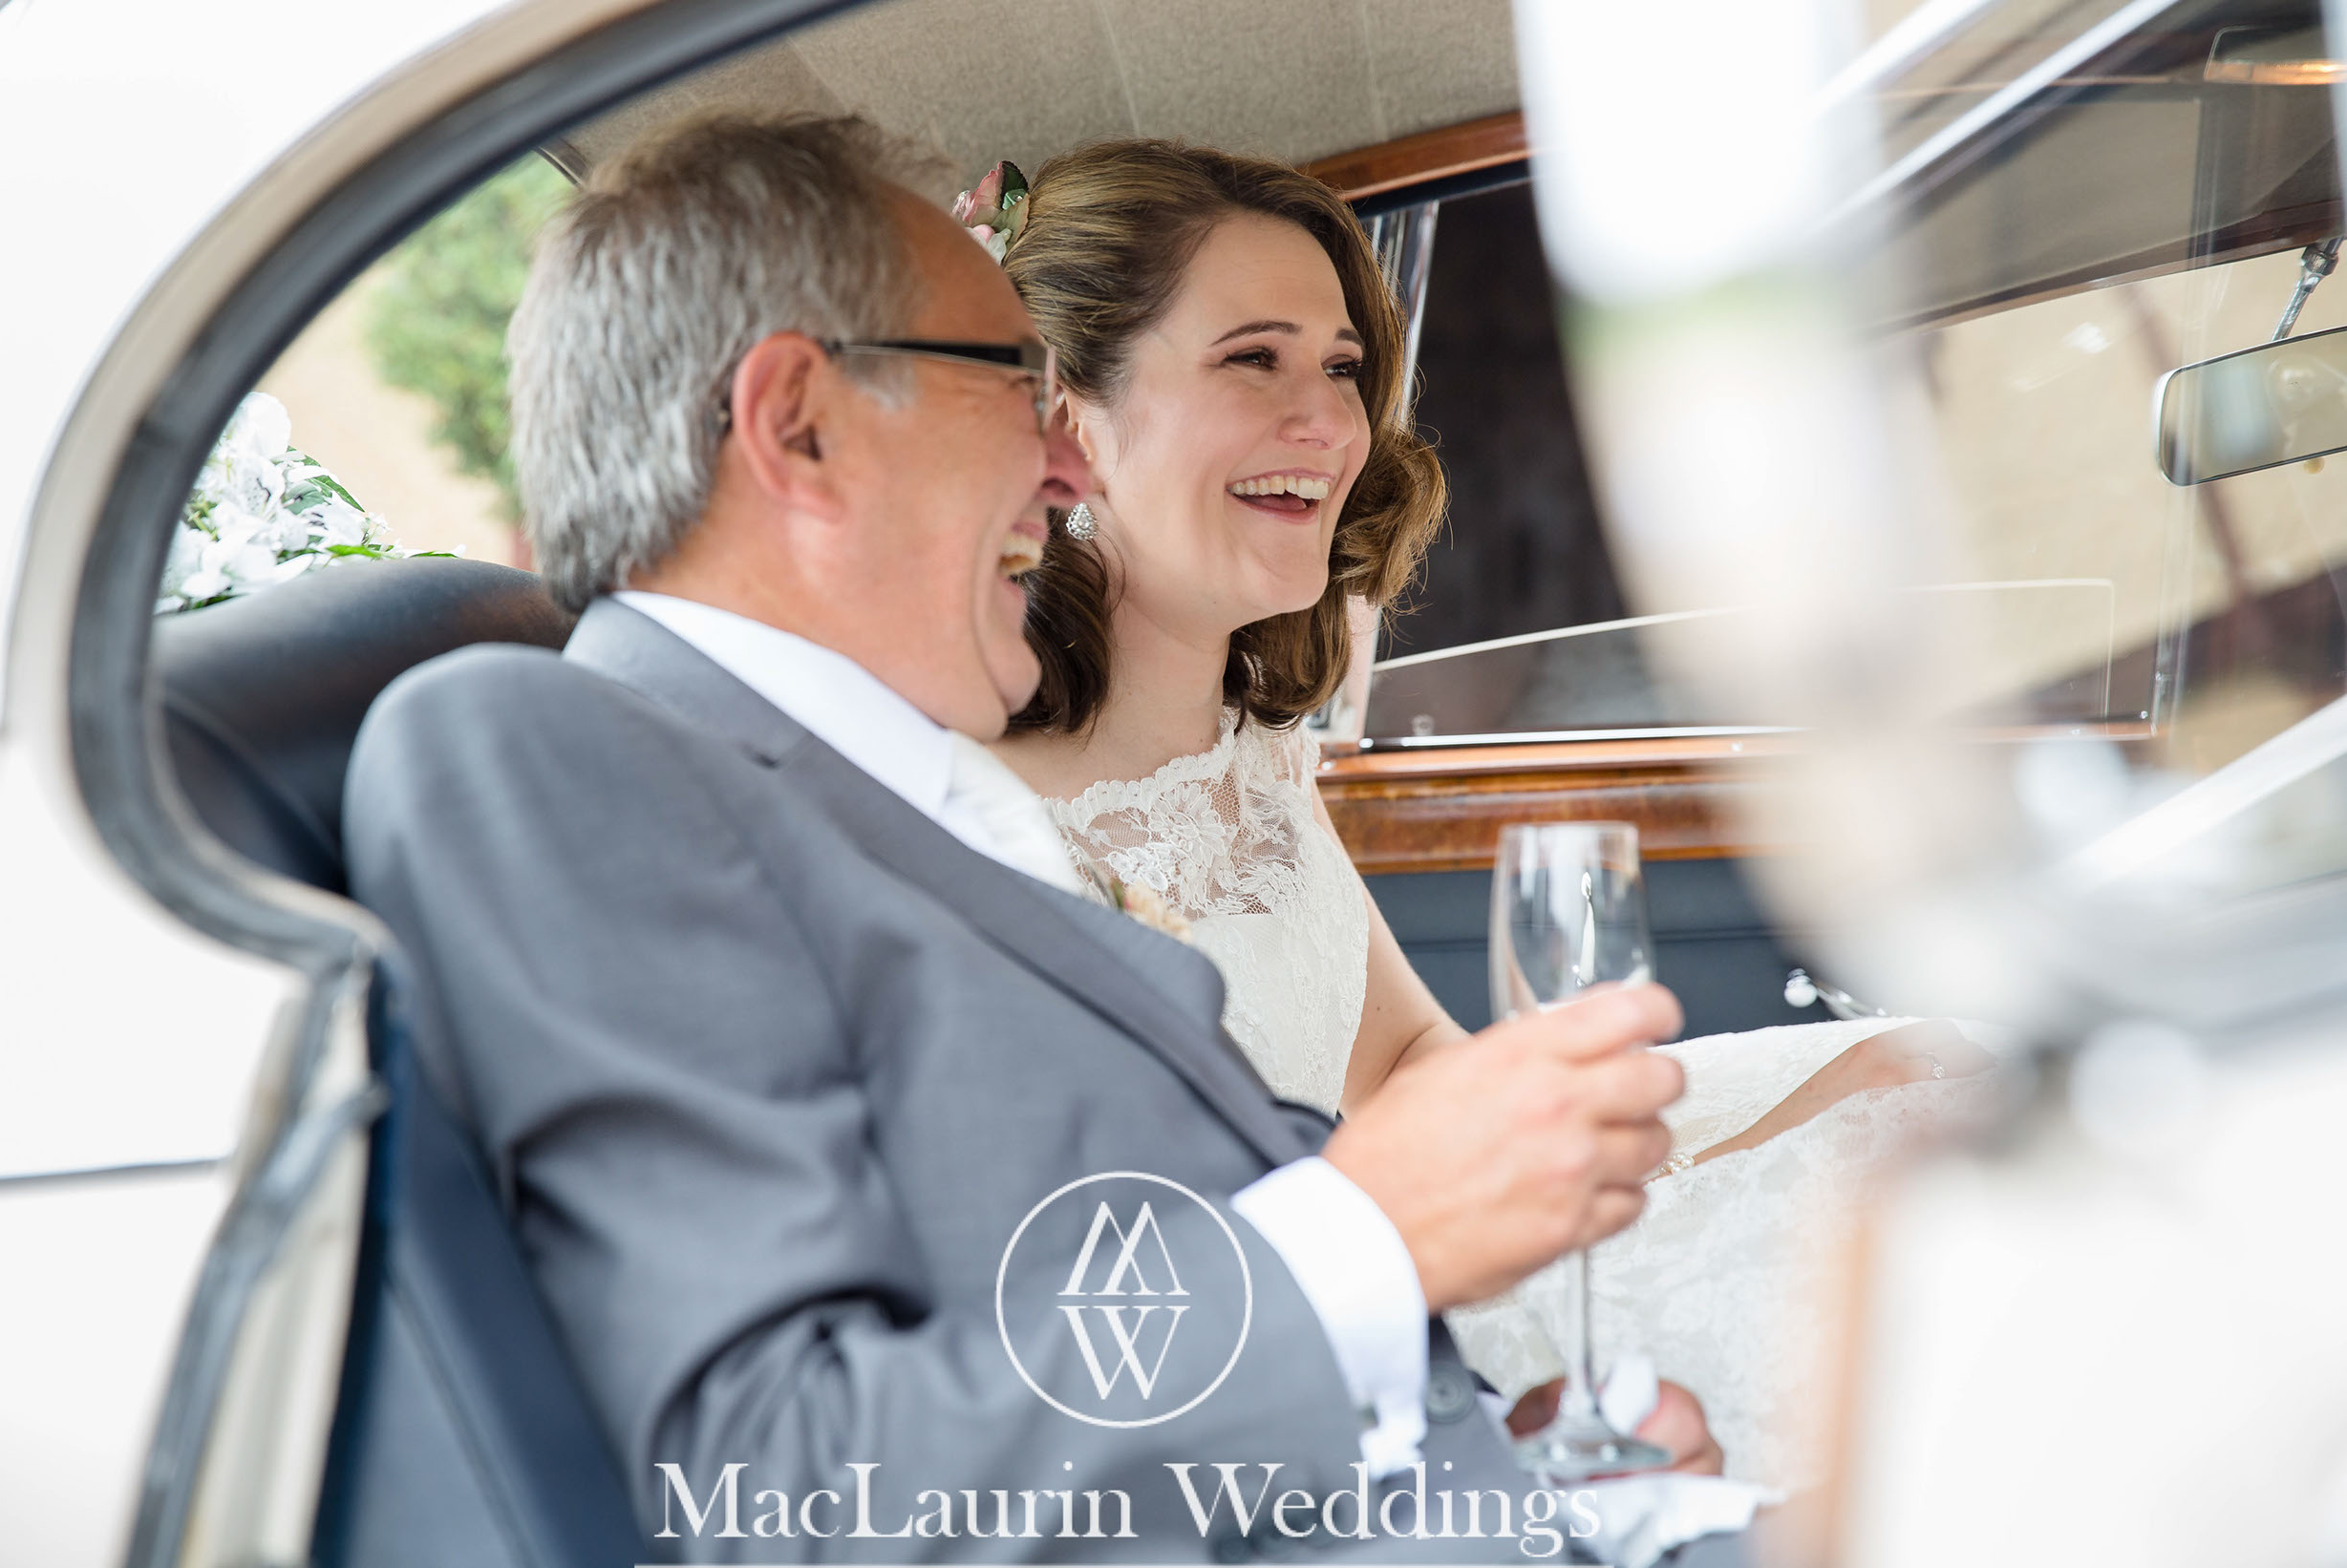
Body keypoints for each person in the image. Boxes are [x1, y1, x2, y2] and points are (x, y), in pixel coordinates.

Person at [343, 114, 1729, 1561]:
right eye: (1016, 381)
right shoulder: (547, 758)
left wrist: (1492, 1475)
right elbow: (785, 1486)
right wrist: (1364, 1229)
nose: (1067, 470)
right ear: (798, 424)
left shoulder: (901, 790)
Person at [989, 138, 1997, 1488]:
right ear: (1067, 412)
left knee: (1933, 1078)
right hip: (1339, 1360)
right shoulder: (972, 809)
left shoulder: (1251, 746)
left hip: (1443, 1245)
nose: (1331, 425)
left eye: (1342, 369)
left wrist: (1762, 1114)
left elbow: (1416, 1065)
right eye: (1255, 360)